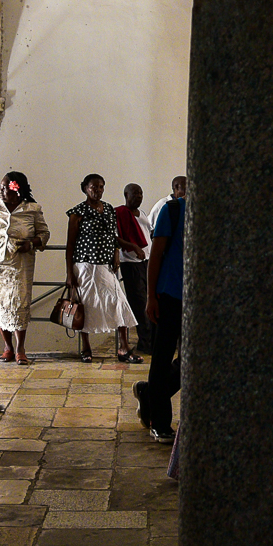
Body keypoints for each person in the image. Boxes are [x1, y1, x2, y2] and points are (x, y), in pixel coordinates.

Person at [64, 174, 139, 361]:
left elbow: (113, 236)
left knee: (119, 302)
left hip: (106, 266)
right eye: (93, 187)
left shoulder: (108, 210)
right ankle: (86, 348)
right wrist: (69, 274)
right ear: (85, 188)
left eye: (101, 187)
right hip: (85, 266)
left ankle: (124, 347)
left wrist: (116, 255)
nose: (97, 191)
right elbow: (70, 245)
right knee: (86, 307)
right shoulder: (77, 213)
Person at [0, 170, 49, 366]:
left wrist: (32, 243)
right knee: (0, 304)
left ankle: (20, 348)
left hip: (21, 265)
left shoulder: (32, 208)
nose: (2, 190)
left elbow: (44, 233)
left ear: (16, 188)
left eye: (6, 187)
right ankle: (8, 347)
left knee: (19, 304)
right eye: (1, 187)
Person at [139, 185, 187, 444]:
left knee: (191, 359)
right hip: (169, 295)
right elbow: (155, 256)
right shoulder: (173, 211)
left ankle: (149, 394)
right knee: (162, 357)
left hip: (198, 300)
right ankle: (160, 422)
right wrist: (151, 297)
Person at [116, 183, 154, 354]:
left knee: (150, 300)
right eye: (135, 193)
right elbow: (115, 238)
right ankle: (145, 342)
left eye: (141, 193)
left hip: (147, 262)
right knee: (139, 303)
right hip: (131, 263)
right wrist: (135, 247)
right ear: (126, 195)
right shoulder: (120, 213)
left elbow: (149, 233)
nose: (139, 196)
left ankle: (152, 339)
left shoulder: (143, 213)